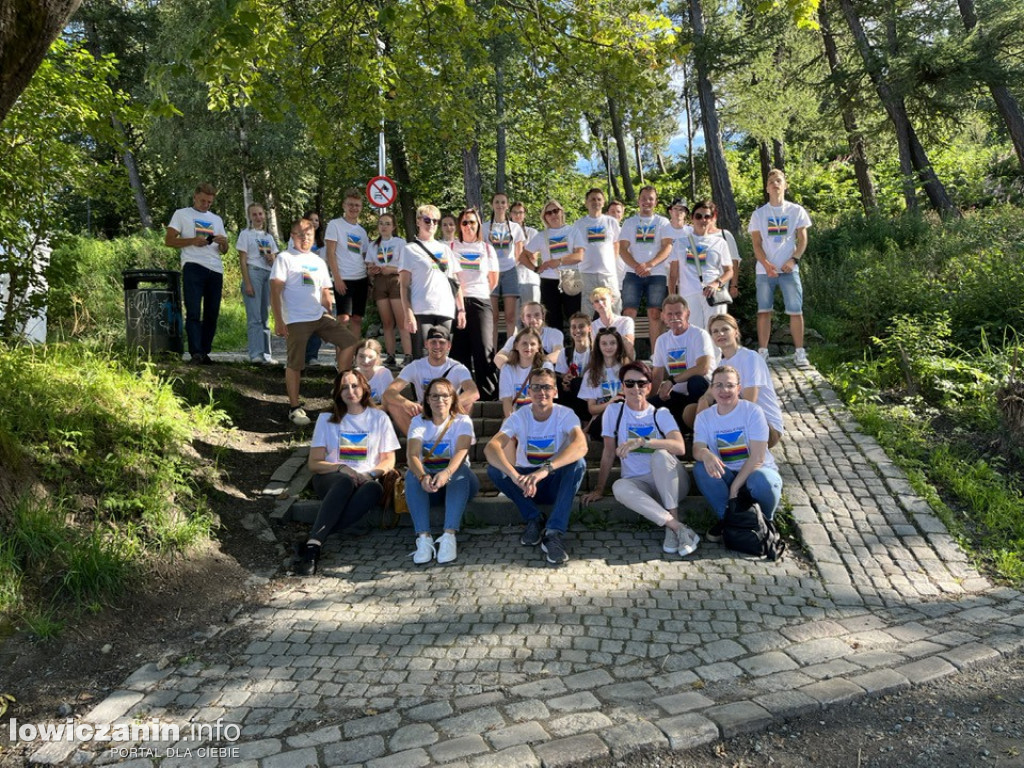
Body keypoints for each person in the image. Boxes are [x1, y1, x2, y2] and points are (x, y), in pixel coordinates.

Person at [581, 361, 699, 557]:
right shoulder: (614, 412)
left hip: (672, 483)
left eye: (641, 383)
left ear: (649, 387)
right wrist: (600, 488)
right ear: (622, 387)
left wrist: (644, 442)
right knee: (619, 487)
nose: (635, 388)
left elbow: (679, 447)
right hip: (640, 484)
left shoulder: (659, 413)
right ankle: (676, 527)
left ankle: (672, 524)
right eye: (629, 383)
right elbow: (609, 453)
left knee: (661, 456)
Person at [292, 369, 399, 575]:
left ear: (364, 388)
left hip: (366, 479)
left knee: (373, 489)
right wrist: (341, 467)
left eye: (355, 386)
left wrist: (371, 474)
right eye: (344, 387)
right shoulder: (326, 419)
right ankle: (314, 548)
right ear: (337, 392)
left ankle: (312, 542)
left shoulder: (379, 418)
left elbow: (389, 459)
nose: (350, 391)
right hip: (331, 479)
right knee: (345, 482)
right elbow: (314, 464)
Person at [485, 367, 588, 565]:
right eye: (536, 387)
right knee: (495, 469)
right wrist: (515, 476)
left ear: (555, 392)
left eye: (547, 387)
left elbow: (581, 445)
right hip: (525, 484)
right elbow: (491, 448)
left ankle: (554, 532)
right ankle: (534, 518)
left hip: (553, 480)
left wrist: (544, 470)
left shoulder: (566, 414)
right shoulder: (518, 416)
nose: (542, 392)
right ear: (528, 392)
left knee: (578, 464)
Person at [270, 219, 360, 425]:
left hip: (318, 316)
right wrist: (279, 320)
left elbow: (325, 292)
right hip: (295, 318)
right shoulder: (284, 258)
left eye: (308, 234)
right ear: (292, 236)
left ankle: (341, 391)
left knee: (349, 341)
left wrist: (329, 313)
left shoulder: (318, 260)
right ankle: (294, 408)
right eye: (300, 234)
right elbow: (275, 290)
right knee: (296, 363)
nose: (305, 238)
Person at [693, 365, 783, 543]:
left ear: (738, 388)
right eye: (718, 385)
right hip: (727, 473)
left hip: (756, 471)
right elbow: (697, 449)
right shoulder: (704, 417)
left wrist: (735, 488)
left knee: (763, 481)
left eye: (730, 385)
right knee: (701, 468)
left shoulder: (753, 412)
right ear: (711, 389)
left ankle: (765, 522)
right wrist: (705, 453)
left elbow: (758, 457)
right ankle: (728, 519)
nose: (724, 390)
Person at [406, 378, 479, 565]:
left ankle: (449, 536)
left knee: (459, 470)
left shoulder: (462, 421)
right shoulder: (418, 422)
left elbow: (462, 451)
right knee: (411, 474)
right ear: (427, 400)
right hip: (431, 484)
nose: (440, 400)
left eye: (445, 395)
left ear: (453, 398)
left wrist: (446, 473)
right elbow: (412, 454)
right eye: (435, 395)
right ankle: (424, 538)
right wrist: (423, 477)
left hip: (460, 483)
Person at [749, 169, 812, 365]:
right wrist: (766, 264)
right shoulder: (759, 214)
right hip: (764, 270)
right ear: (767, 188)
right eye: (771, 182)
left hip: (789, 269)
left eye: (779, 181)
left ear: (785, 185)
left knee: (795, 310)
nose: (775, 184)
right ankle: (763, 352)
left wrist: (794, 260)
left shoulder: (796, 210)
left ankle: (799, 352)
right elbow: (756, 244)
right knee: (764, 311)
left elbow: (802, 240)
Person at [164, 182, 229, 364]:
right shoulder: (181, 214)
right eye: (203, 201)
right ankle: (196, 353)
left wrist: (223, 242)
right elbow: (169, 240)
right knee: (193, 311)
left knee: (212, 313)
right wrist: (192, 240)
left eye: (209, 202)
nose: (206, 205)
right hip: (193, 266)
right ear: (195, 197)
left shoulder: (216, 219)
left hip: (215, 269)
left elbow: (224, 250)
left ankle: (205, 351)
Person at [702, 314, 783, 446]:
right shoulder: (722, 364)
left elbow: (750, 403)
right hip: (736, 419)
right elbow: (709, 394)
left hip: (765, 426)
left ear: (735, 331)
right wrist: (703, 404)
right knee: (691, 411)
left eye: (725, 329)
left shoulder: (750, 358)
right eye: (715, 331)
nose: (720, 333)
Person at [398, 204, 466, 359]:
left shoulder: (445, 249)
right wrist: (408, 313)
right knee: (422, 357)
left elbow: (455, 281)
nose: (432, 224)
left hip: (445, 309)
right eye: (427, 220)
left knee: (442, 356)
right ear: (418, 222)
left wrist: (461, 309)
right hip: (421, 309)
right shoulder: (409, 249)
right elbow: (404, 285)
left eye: (435, 221)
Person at [383, 327, 478, 435]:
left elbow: (473, 392)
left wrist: (446, 404)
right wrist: (406, 403)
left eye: (441, 343)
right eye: (433, 342)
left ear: (449, 346)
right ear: (426, 344)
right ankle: (417, 442)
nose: (437, 346)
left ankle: (456, 438)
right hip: (423, 412)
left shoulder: (458, 368)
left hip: (448, 412)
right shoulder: (415, 366)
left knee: (468, 402)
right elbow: (389, 393)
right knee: (393, 405)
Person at [450, 207, 500, 400]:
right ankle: (459, 393)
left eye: (472, 222)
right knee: (459, 350)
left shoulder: (486, 248)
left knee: (484, 348)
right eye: (464, 222)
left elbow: (493, 279)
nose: (468, 226)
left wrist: (479, 292)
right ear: (459, 226)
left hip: (480, 300)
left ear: (478, 224)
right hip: (457, 303)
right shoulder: (452, 247)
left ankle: (487, 394)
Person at [668, 198, 734, 333]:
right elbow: (673, 273)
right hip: (689, 294)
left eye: (706, 216)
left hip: (713, 294)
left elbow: (729, 271)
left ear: (711, 219)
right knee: (693, 332)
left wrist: (716, 284)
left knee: (716, 331)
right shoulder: (680, 243)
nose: (702, 220)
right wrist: (672, 297)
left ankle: (715, 355)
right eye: (698, 216)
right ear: (692, 218)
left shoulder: (720, 243)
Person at [650, 295, 713, 431]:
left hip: (701, 394)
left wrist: (671, 381)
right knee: (649, 408)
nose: (674, 317)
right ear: (663, 316)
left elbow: (703, 368)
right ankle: (683, 427)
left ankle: (698, 427)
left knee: (695, 381)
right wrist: (647, 402)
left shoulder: (698, 334)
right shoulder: (662, 340)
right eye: (670, 314)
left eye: (678, 313)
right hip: (677, 395)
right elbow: (657, 377)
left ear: (687, 313)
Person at [619, 186, 671, 343]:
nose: (646, 201)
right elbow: (622, 249)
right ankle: (627, 355)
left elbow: (667, 246)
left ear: (656, 202)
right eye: (644, 198)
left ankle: (656, 356)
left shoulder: (662, 222)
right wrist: (637, 266)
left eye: (650, 199)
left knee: (655, 313)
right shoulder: (629, 222)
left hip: (657, 273)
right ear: (638, 200)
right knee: (628, 313)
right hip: (632, 273)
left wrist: (649, 264)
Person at [524, 199, 583, 335]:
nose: (553, 215)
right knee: (552, 320)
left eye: (556, 211)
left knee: (574, 319)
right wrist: (535, 269)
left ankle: (577, 352)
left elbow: (579, 256)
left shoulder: (573, 231)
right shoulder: (541, 236)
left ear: (561, 212)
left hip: (571, 278)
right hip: (549, 281)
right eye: (549, 213)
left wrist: (559, 261)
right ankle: (556, 353)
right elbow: (523, 255)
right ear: (545, 217)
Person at [325, 188, 370, 339]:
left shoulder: (362, 232)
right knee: (343, 319)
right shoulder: (334, 225)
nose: (353, 208)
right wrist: (336, 278)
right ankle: (341, 359)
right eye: (350, 204)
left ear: (361, 207)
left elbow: (365, 256)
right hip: (343, 278)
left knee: (357, 319)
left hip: (361, 279)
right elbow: (330, 253)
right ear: (344, 205)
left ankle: (355, 356)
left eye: (357, 205)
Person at [236, 202, 279, 363]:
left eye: (260, 214)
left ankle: (267, 355)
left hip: (268, 275)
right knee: (254, 317)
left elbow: (275, 259)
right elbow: (242, 259)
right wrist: (247, 283)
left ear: (264, 215)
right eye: (254, 214)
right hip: (253, 273)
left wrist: (271, 259)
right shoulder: (245, 234)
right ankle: (255, 354)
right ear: (249, 217)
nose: (258, 217)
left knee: (265, 317)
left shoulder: (268, 237)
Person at [365, 212, 410, 366]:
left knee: (402, 321)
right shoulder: (373, 245)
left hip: (395, 281)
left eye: (387, 224)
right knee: (387, 322)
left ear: (394, 226)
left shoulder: (400, 243)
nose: (384, 227)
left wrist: (390, 269)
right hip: (380, 282)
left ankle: (408, 355)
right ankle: (390, 355)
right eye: (381, 223)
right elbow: (369, 266)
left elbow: (405, 265)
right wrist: (372, 270)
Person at [483, 192, 526, 347]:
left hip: (509, 272)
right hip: (491, 273)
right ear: (492, 205)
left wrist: (510, 265)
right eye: (497, 202)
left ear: (507, 206)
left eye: (503, 202)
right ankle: (491, 354)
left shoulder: (515, 227)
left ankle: (510, 352)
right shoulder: (484, 227)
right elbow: (482, 251)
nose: (500, 205)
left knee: (510, 317)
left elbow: (519, 253)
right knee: (492, 317)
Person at [572, 188, 622, 314]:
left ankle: (616, 333)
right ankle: (588, 334)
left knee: (614, 305)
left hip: (608, 273)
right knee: (587, 308)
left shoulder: (611, 222)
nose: (596, 202)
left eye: (599, 199)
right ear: (586, 203)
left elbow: (617, 243)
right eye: (592, 199)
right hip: (586, 272)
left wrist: (612, 262)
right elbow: (574, 247)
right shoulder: (578, 224)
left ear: (603, 202)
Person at [578, 328, 630, 439]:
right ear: (599, 346)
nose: (608, 347)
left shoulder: (627, 370)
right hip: (601, 419)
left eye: (612, 343)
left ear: (618, 345)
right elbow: (592, 409)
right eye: (604, 343)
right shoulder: (591, 373)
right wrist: (610, 403)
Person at [493, 302, 564, 370]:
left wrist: (537, 365)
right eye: (528, 316)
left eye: (537, 315)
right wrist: (514, 368)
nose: (533, 319)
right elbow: (498, 357)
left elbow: (558, 353)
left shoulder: (554, 334)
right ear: (523, 319)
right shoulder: (515, 338)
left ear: (543, 316)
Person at [499, 328, 549, 418]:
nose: (528, 347)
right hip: (516, 417)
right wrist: (512, 422)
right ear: (516, 346)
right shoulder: (507, 368)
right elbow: (507, 400)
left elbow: (547, 399)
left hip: (540, 417)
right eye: (524, 343)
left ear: (538, 347)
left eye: (533, 344)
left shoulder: (545, 366)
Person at [555, 312, 593, 424]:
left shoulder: (595, 352)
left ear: (589, 328)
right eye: (574, 327)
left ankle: (584, 421)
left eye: (581, 326)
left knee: (578, 383)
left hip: (589, 389)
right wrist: (565, 379)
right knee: (556, 383)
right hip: (571, 389)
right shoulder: (565, 352)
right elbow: (561, 373)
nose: (577, 330)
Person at [704, 203, 742, 300]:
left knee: (718, 315)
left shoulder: (725, 235)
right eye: (700, 216)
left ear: (715, 216)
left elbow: (734, 261)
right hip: (696, 288)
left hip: (719, 287)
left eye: (708, 216)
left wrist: (734, 285)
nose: (705, 219)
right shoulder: (693, 237)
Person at [589, 286, 635, 358]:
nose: (600, 303)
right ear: (594, 306)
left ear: (612, 301)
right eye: (596, 301)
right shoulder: (593, 325)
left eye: (603, 299)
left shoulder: (626, 321)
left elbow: (629, 346)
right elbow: (595, 349)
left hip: (622, 358)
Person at [510, 201, 540, 306]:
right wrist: (524, 252)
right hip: (512, 278)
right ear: (510, 214)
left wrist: (518, 254)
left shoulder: (532, 233)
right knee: (516, 315)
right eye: (515, 212)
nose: (518, 215)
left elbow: (533, 257)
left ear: (524, 214)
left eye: (520, 212)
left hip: (531, 278)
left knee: (533, 311)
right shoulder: (505, 234)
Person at [354, 339, 393, 405]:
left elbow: (390, 403)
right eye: (361, 356)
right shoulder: (352, 375)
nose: (366, 361)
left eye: (371, 357)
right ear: (355, 357)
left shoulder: (384, 373)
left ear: (377, 358)